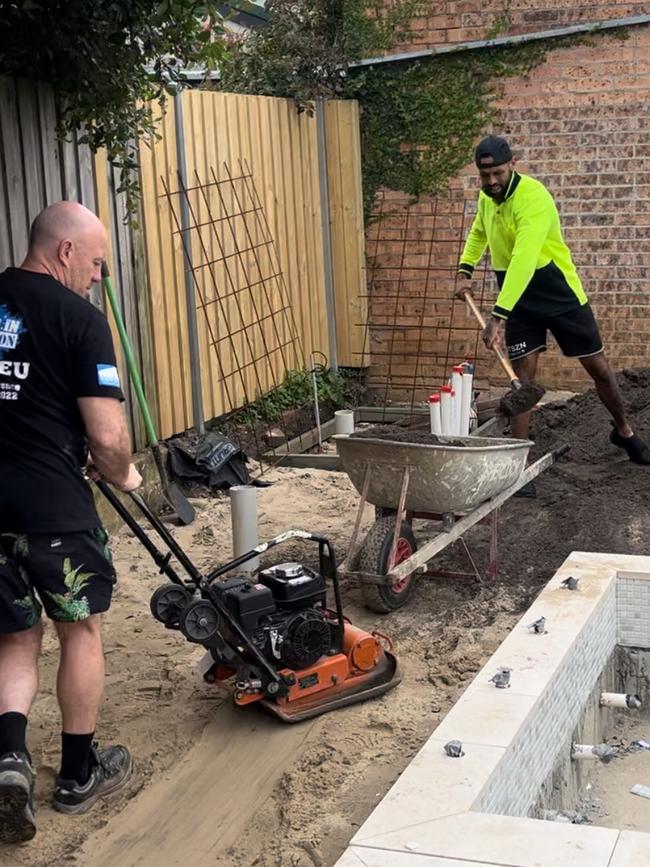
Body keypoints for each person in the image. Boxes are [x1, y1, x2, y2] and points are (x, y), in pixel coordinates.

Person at [0, 201, 142, 843]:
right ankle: (79, 772)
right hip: (54, 507)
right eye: (93, 262)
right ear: (63, 253)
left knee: (12, 639)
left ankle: (10, 759)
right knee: (80, 629)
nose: (96, 274)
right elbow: (107, 434)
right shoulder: (78, 319)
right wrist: (124, 473)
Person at [457, 135, 650, 488]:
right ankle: (518, 465)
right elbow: (478, 233)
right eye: (485, 176)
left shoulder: (534, 198)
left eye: (498, 173)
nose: (491, 182)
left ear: (512, 164)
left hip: (557, 292)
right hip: (520, 301)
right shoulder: (487, 198)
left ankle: (624, 430)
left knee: (598, 368)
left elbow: (524, 259)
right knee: (523, 380)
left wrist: (498, 316)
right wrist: (465, 269)